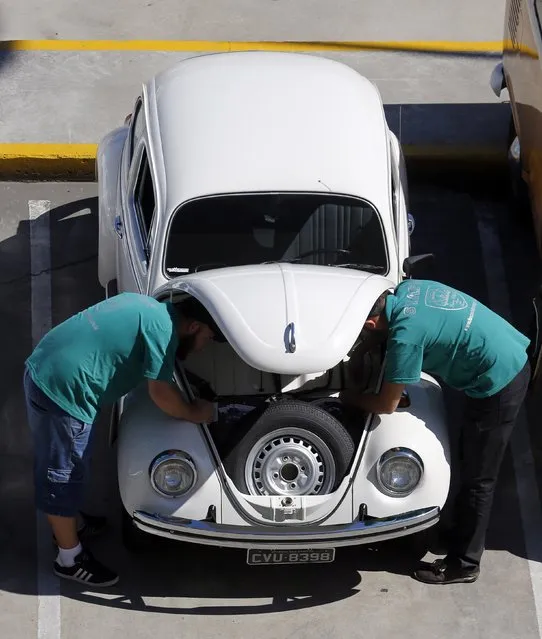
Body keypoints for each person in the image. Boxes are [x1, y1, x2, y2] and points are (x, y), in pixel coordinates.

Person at [24, 292, 225, 587]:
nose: (203, 347)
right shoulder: (164, 332)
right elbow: (161, 395)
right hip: (62, 391)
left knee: (71, 467)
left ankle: (71, 525)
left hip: (46, 364)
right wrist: (197, 412)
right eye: (207, 338)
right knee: (63, 474)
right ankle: (69, 558)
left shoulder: (147, 306)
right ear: (193, 327)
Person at [340, 279, 531, 585]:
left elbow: (387, 404)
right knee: (466, 452)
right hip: (504, 349)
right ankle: (457, 533)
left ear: (372, 321)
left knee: (478, 478)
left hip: (501, 380)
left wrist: (347, 397)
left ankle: (464, 564)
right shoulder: (407, 290)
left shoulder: (406, 337)